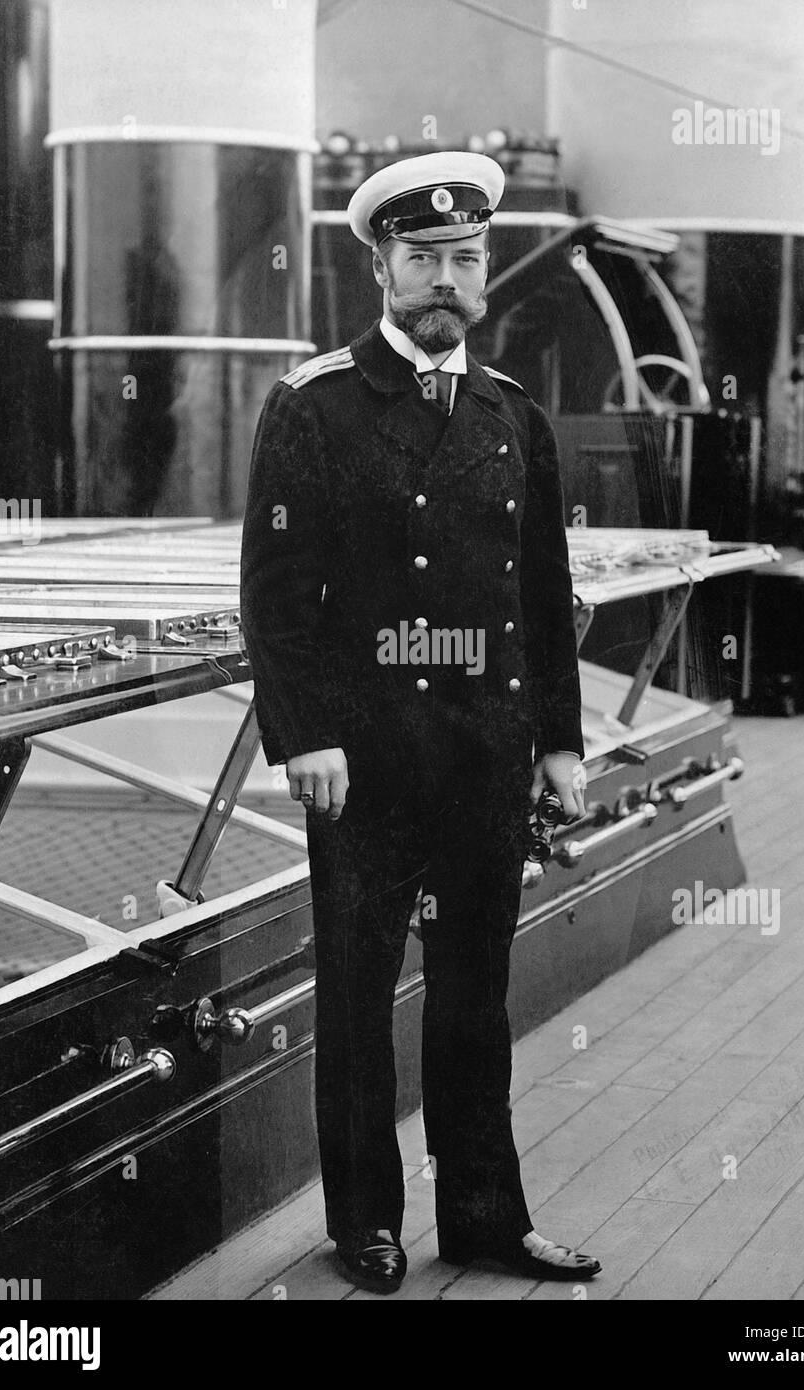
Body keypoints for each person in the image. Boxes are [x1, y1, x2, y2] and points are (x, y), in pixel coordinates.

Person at [240, 150, 601, 1294]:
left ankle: (488, 1218)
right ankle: (365, 1224)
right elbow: (275, 596)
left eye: (464, 258)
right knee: (355, 999)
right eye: (423, 259)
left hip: (485, 760)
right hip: (366, 763)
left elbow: (541, 594)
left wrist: (559, 741)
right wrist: (304, 739)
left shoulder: (511, 415)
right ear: (381, 269)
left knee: (475, 1000)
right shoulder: (315, 406)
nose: (445, 277)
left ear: (482, 272)